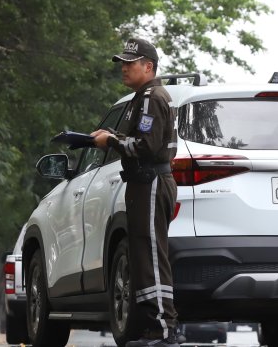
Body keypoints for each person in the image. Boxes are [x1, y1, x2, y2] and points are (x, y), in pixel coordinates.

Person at [91, 38, 180, 347]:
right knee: (142, 256)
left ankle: (164, 330)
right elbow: (140, 139)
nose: (124, 68)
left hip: (152, 182)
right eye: (123, 62)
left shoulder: (152, 97)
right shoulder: (141, 97)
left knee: (152, 257)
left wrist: (111, 142)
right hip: (142, 184)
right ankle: (153, 329)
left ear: (149, 66)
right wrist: (110, 135)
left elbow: (146, 147)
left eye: (131, 63)